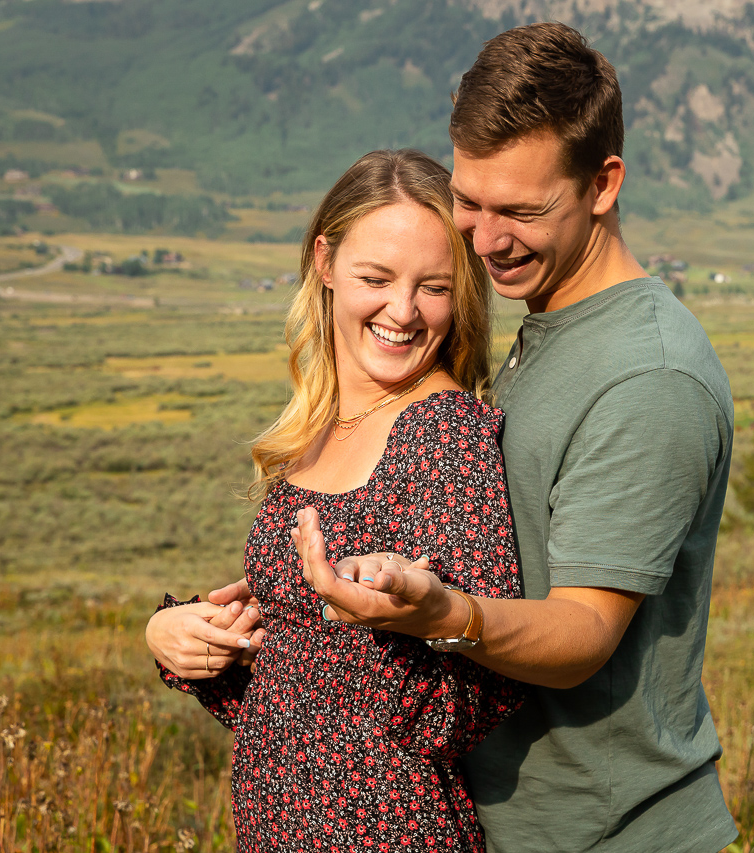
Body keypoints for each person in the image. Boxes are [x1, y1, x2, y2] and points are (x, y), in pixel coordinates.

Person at [287, 23, 739, 853]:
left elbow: (581, 635)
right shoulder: (549, 327)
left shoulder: (649, 376)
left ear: (604, 185)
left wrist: (443, 613)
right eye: (469, 200)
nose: (485, 240)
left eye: (522, 211)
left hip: (614, 834)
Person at [144, 149, 524, 853]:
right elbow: (295, 688)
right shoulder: (317, 428)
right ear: (325, 261)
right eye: (375, 278)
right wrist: (179, 638)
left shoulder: (445, 433)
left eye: (434, 287)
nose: (403, 311)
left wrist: (408, 615)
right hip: (279, 821)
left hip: (387, 831)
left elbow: (483, 690)